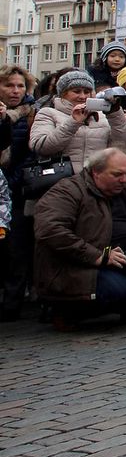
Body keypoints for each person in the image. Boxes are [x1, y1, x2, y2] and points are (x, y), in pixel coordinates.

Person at [33, 148, 126, 330]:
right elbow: (50, 230)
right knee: (119, 291)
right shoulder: (67, 191)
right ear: (96, 172)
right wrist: (98, 256)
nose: (124, 180)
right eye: (117, 175)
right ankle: (67, 312)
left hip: (122, 257)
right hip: (82, 265)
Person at [29, 70, 126, 184]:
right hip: (61, 183)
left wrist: (116, 114)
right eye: (76, 91)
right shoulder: (47, 113)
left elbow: (123, 146)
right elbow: (41, 146)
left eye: (87, 91)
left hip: (97, 183)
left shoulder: (103, 116)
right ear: (63, 93)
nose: (83, 96)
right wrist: (73, 123)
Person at [0, 66, 37, 320]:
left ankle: (11, 305)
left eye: (20, 86)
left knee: (17, 250)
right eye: (9, 85)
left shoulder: (32, 114)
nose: (15, 91)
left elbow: (31, 153)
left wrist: (11, 180)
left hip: (18, 189)